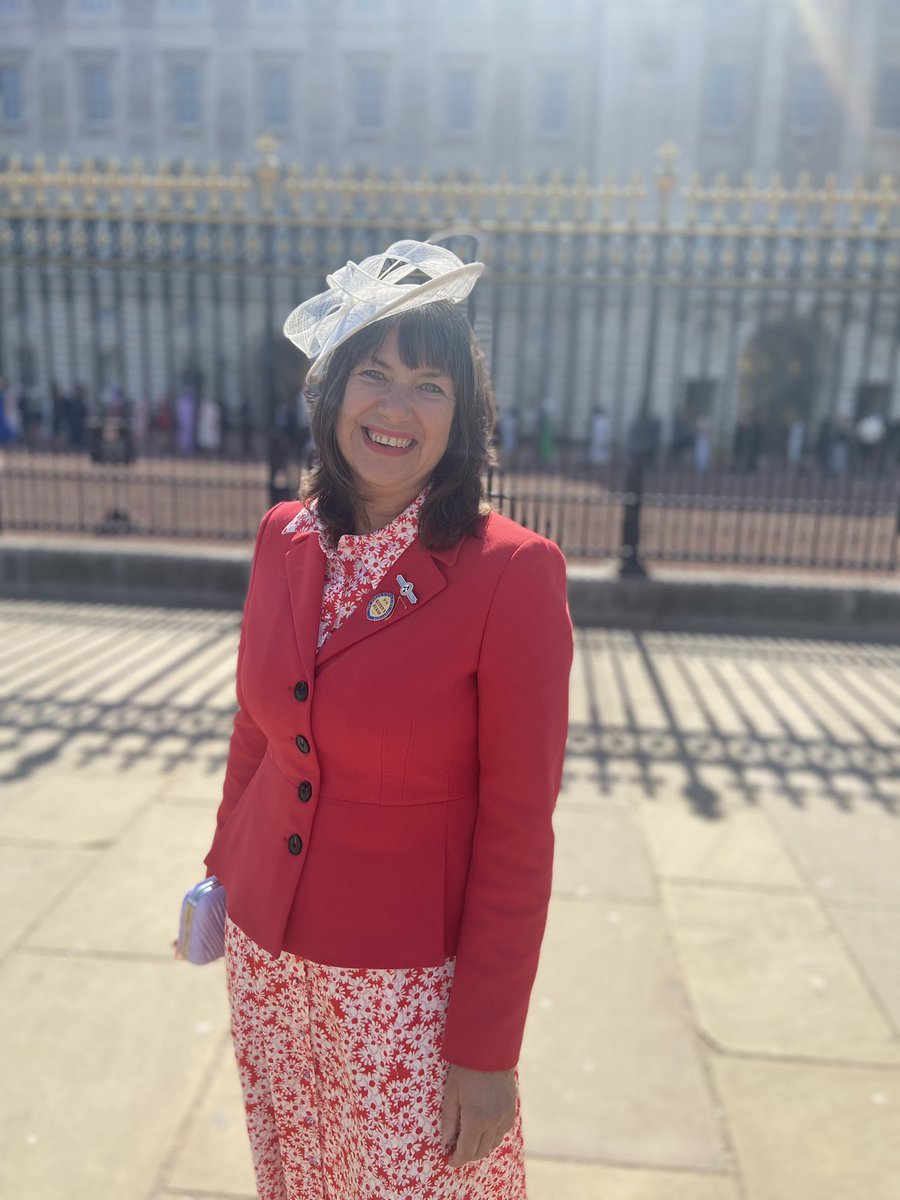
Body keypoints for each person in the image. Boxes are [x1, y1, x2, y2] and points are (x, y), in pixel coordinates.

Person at [202, 240, 573, 1200]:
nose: (396, 408)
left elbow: (517, 830)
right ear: (334, 393)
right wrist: (217, 875)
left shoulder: (512, 573)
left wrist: (487, 1048)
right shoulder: (283, 536)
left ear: (466, 415)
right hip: (269, 959)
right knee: (296, 1176)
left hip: (405, 991)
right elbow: (259, 729)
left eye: (430, 384)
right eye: (375, 374)